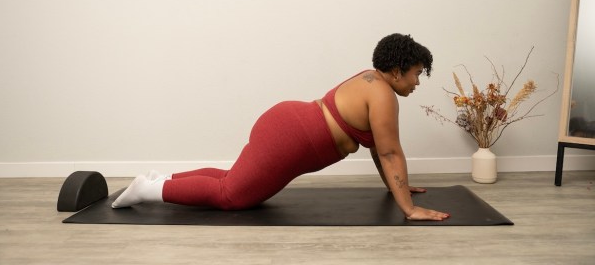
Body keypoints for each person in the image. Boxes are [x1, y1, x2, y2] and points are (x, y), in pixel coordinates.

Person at [112, 33, 450, 221]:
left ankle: (163, 180)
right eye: (417, 73)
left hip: (289, 123)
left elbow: (379, 148)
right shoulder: (383, 95)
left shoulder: (371, 81)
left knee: (231, 180)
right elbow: (391, 151)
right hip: (292, 136)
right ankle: (148, 190)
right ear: (396, 70)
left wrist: (396, 189)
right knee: (232, 197)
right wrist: (410, 209)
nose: (418, 82)